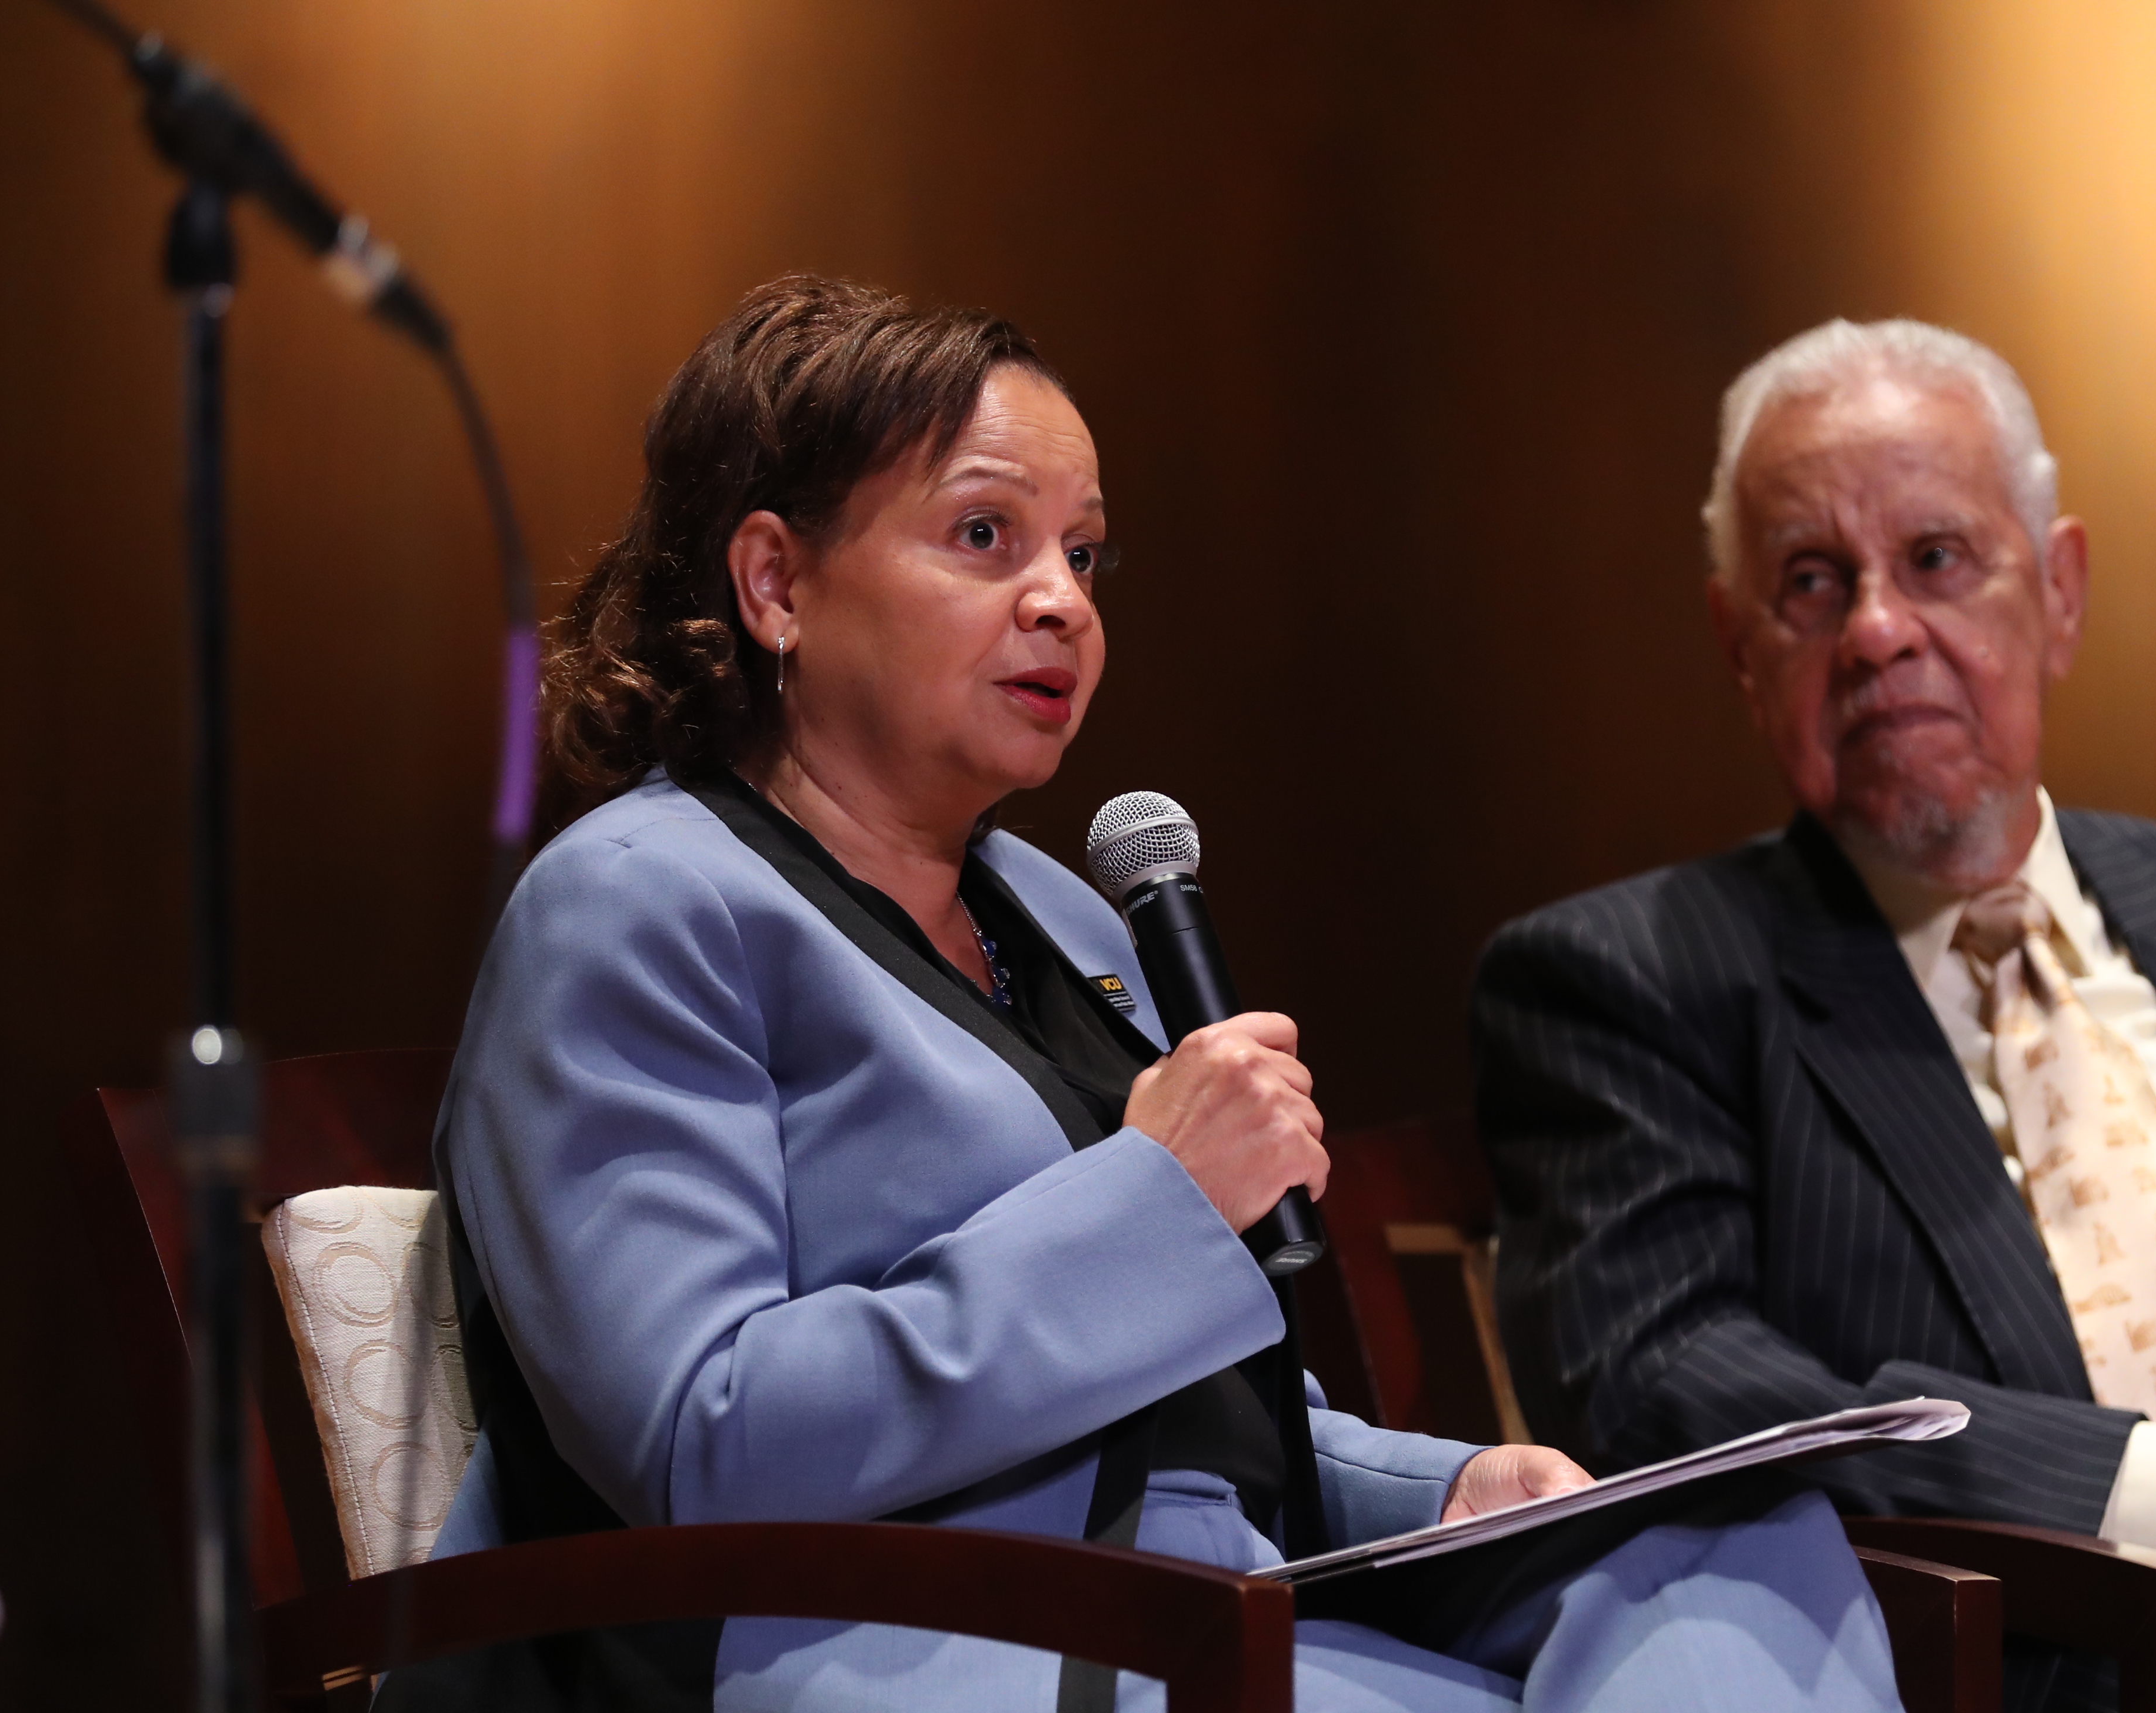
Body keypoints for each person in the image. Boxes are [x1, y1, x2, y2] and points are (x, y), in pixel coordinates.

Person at [399, 278, 1905, 1712]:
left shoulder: (1059, 912)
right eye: (986, 535)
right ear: (778, 581)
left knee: (1751, 1550)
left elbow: (1192, 1418)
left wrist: (1440, 1486)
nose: (1060, 600)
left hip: (1203, 1611)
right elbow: (696, 1444)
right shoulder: (640, 904)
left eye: (1085, 553)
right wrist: (1158, 1189)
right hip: (905, 1647)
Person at [1471, 318, 2156, 1713]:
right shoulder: (1626, 979)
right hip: (2060, 1623)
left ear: (2063, 591)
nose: (1876, 630)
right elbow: (1680, 1393)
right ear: (1741, 647)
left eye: (1935, 560)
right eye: (1810, 580)